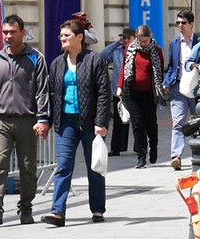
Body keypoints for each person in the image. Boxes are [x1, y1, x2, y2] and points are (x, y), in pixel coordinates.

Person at [0, 14, 50, 226]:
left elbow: (42, 91)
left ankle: (25, 209)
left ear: (23, 33)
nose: (8, 36)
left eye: (12, 32)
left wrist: (42, 118)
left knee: (28, 168)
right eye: (5, 32)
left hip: (27, 120)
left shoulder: (35, 58)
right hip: (1, 121)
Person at [40, 19, 111, 227]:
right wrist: (47, 121)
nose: (62, 39)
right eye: (61, 36)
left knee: (94, 167)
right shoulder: (56, 63)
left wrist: (101, 121)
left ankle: (97, 209)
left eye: (67, 35)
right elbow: (52, 94)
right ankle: (57, 212)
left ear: (80, 37)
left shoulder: (94, 61)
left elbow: (103, 94)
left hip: (90, 122)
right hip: (66, 122)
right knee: (63, 167)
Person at [118, 24, 166, 169]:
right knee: (137, 124)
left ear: (150, 38)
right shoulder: (131, 48)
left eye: (144, 41)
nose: (141, 43)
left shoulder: (156, 50)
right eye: (139, 40)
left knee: (151, 122)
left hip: (149, 92)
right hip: (132, 92)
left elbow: (160, 70)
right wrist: (120, 86)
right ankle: (141, 155)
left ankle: (154, 146)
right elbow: (124, 68)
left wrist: (161, 86)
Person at [162, 10, 199, 171]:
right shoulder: (174, 43)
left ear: (191, 24)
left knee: (197, 121)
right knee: (178, 122)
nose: (180, 26)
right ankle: (176, 156)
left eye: (183, 23)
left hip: (196, 87)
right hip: (178, 86)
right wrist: (166, 81)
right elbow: (171, 65)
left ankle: (197, 155)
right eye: (178, 23)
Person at [99, 27, 135, 156]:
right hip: (118, 90)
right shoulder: (117, 52)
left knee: (137, 120)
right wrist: (116, 43)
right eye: (123, 37)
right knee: (119, 120)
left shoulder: (137, 51)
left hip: (134, 90)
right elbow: (103, 55)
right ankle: (117, 147)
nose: (125, 40)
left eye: (127, 38)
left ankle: (139, 147)